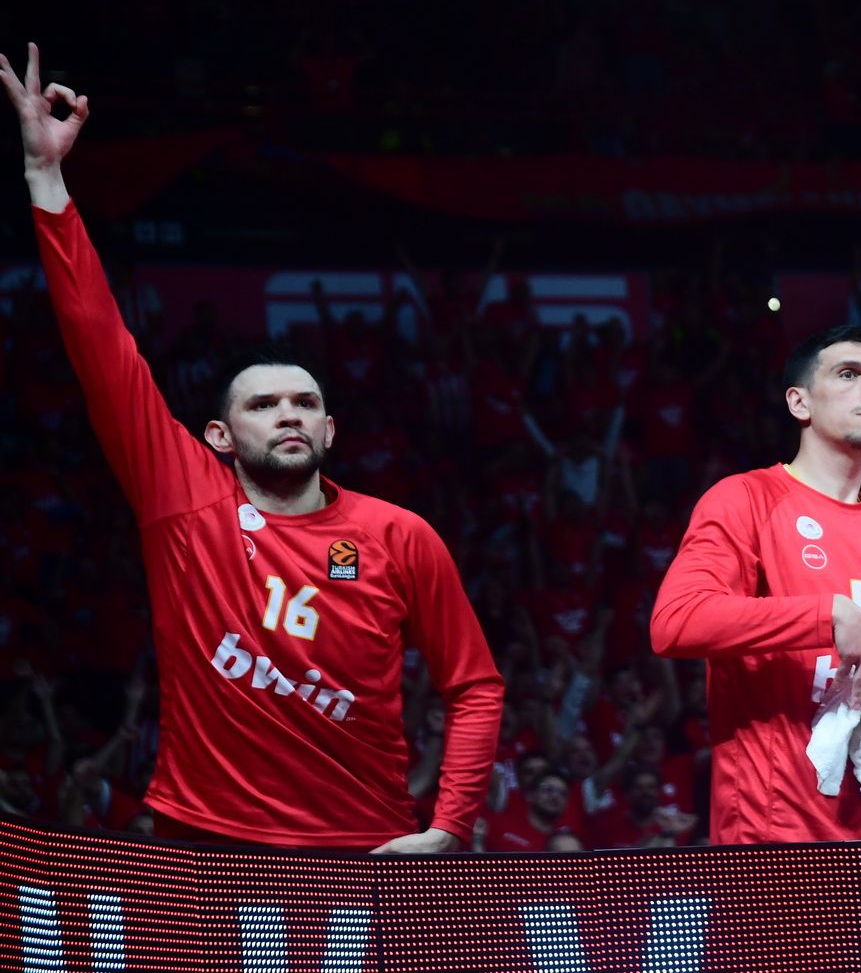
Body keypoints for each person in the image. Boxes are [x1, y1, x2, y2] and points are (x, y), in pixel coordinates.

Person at [4, 44, 503, 851]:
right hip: (206, 841)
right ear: (221, 436)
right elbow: (99, 342)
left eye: (305, 403)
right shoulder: (182, 498)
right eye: (263, 405)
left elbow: (474, 687)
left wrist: (448, 826)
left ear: (330, 430)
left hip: (363, 849)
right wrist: (46, 179)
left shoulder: (401, 537)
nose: (288, 415)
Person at [651, 324, 861, 843]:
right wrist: (828, 615)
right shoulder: (746, 499)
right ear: (800, 403)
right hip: (782, 837)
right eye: (849, 374)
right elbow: (677, 621)